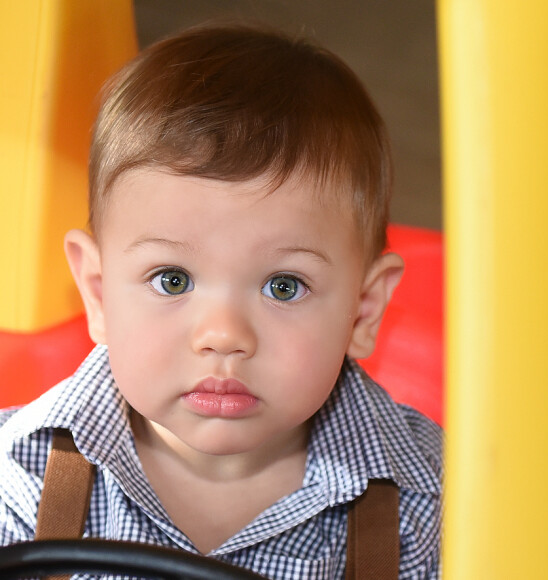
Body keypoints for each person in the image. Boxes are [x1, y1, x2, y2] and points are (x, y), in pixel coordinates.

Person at [0, 23, 442, 578]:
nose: (225, 334)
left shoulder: (430, 505)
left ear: (363, 309)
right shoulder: (16, 482)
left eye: (284, 286)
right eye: (172, 279)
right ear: (98, 291)